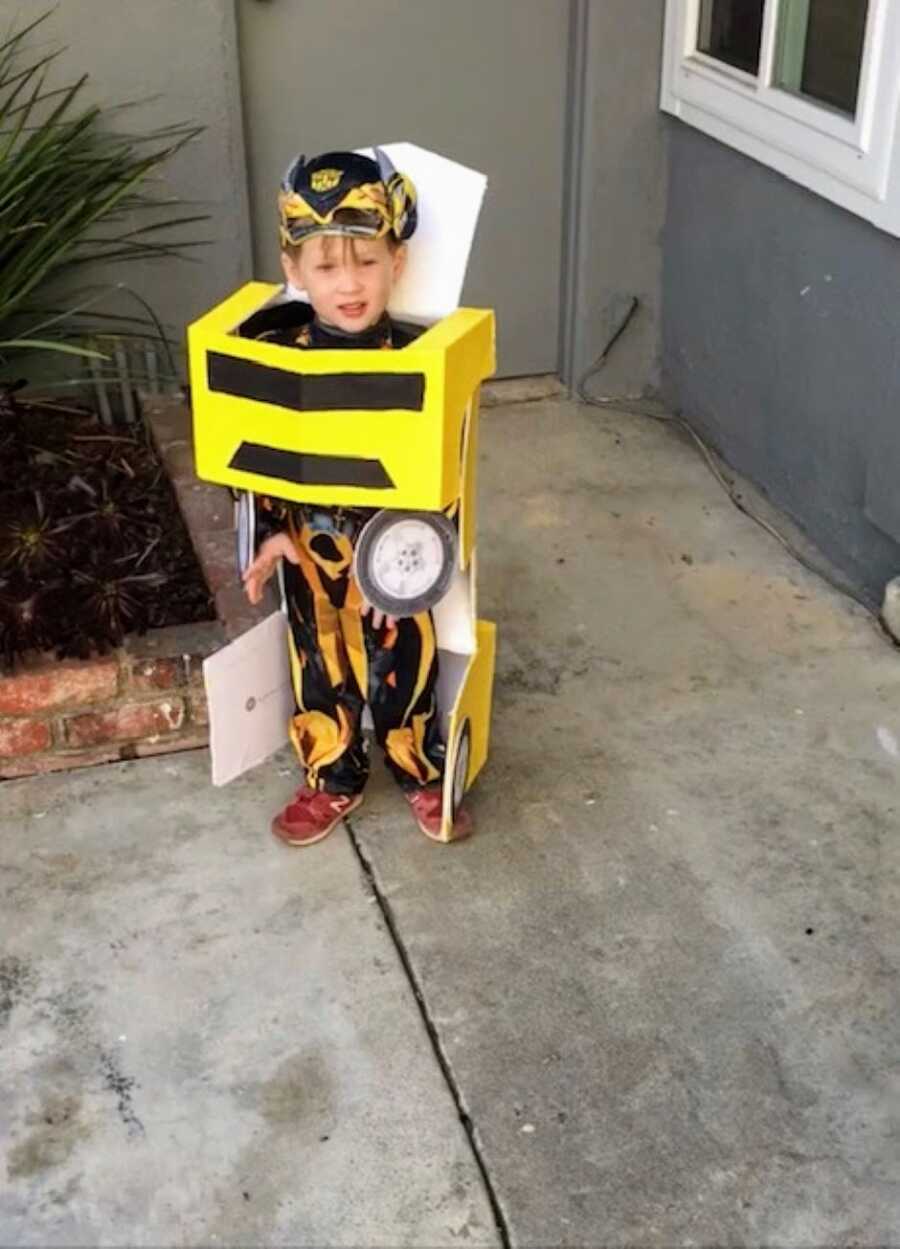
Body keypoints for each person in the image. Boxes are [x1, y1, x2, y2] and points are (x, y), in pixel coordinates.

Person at [239, 148, 472, 847]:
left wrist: (410, 560)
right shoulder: (272, 355)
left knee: (405, 662)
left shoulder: (418, 358)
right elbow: (250, 451)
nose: (349, 284)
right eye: (327, 265)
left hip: (396, 548)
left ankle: (418, 764)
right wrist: (267, 531)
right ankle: (333, 772)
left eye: (366, 261)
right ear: (293, 269)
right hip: (306, 542)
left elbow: (443, 466)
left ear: (397, 262)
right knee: (319, 663)